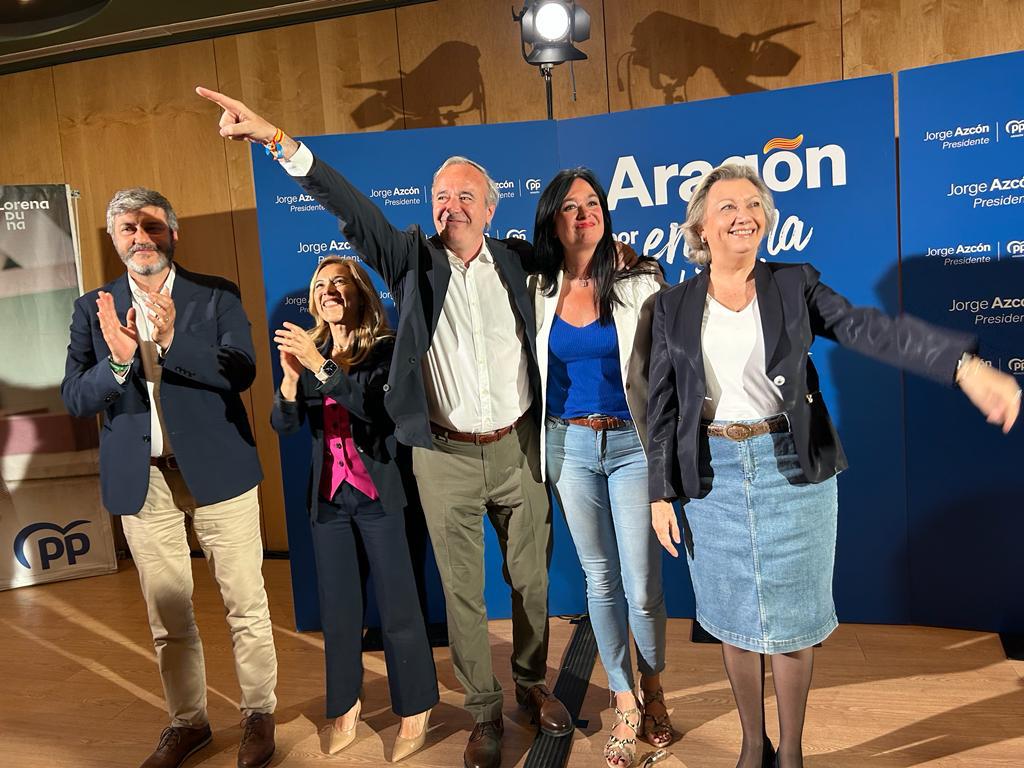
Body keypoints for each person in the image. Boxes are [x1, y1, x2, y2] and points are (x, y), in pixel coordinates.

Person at [196, 87, 573, 768]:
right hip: (445, 455)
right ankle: (484, 714)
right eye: (440, 197)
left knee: (532, 583)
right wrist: (277, 139)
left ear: (490, 208)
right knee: (461, 592)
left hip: (517, 447)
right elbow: (351, 207)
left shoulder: (519, 261)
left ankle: (527, 686)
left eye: (464, 196)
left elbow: (586, 265)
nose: (449, 206)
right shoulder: (412, 260)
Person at [646, 163, 1021, 768]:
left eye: (755, 204)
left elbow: (868, 330)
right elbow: (660, 403)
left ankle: (789, 751)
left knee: (793, 621)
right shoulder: (672, 306)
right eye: (728, 207)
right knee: (731, 619)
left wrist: (963, 367)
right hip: (710, 478)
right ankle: (752, 744)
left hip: (794, 471)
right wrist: (660, 493)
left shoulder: (795, 284)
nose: (745, 214)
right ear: (699, 227)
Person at [61, 188, 278, 768]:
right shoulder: (93, 308)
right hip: (143, 479)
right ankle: (189, 723)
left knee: (246, 604)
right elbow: (77, 398)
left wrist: (176, 340)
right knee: (169, 613)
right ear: (114, 240)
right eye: (128, 229)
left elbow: (243, 372)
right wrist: (118, 362)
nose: (140, 237)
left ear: (172, 234)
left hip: (219, 471)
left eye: (151, 226)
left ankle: (259, 715)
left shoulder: (215, 296)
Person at [270, 256, 439, 761]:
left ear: (360, 291)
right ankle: (344, 704)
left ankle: (416, 706)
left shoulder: (385, 349)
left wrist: (319, 367)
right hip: (329, 501)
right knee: (340, 612)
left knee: (399, 607)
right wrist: (287, 379)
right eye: (321, 285)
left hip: (379, 496)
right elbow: (285, 426)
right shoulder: (312, 349)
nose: (328, 291)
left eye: (339, 282)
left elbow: (376, 411)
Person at [531, 168, 671, 768]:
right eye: (570, 206)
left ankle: (654, 682)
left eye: (593, 204)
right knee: (600, 581)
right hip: (571, 447)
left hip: (632, 445)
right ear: (554, 221)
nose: (583, 214)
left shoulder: (641, 279)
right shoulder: (536, 286)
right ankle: (624, 699)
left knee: (641, 587)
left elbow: (667, 369)